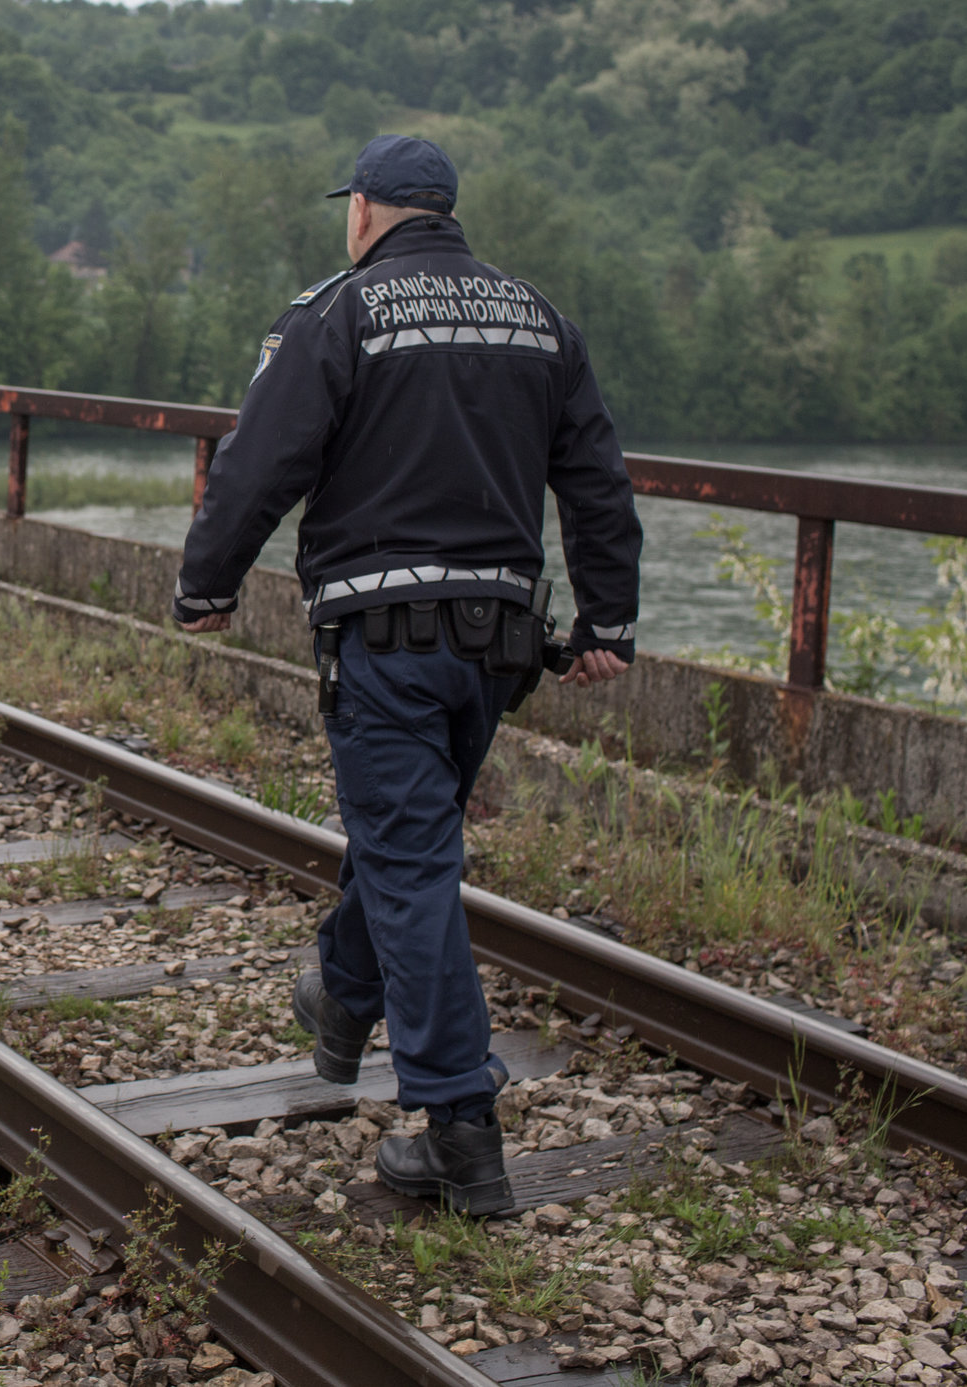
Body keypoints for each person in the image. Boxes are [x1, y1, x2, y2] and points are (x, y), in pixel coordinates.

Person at [172, 133, 641, 1215]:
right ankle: (341, 991)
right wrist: (605, 616)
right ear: (449, 211)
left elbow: (262, 456)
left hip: (382, 641)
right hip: (498, 646)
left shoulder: (337, 312)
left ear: (368, 209)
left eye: (354, 205)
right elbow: (597, 479)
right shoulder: (538, 318)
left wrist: (208, 581)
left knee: (412, 861)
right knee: (408, 840)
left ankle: (459, 1124)